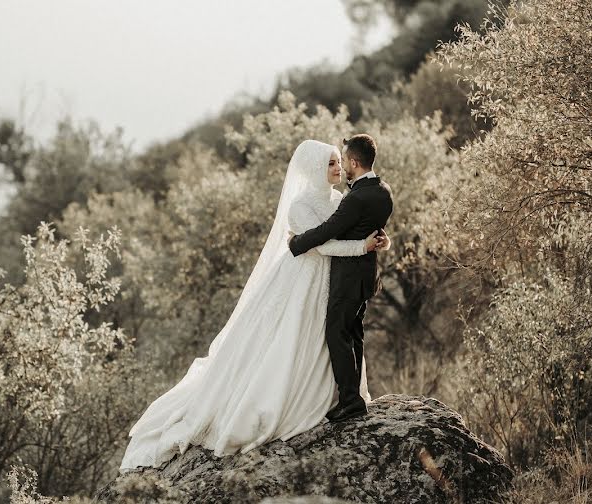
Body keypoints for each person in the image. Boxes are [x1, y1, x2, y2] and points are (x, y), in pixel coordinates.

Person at [119, 139, 390, 473]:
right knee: (293, 334)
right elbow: (322, 246)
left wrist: (371, 241)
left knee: (332, 333)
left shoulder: (341, 199)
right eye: (331, 164)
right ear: (313, 169)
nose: (337, 168)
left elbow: (352, 225)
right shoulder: (300, 206)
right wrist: (360, 247)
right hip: (304, 277)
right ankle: (295, 399)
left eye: (338, 162)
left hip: (333, 279)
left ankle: (342, 396)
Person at [288, 134, 394, 423]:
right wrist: (382, 242)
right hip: (366, 276)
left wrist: (296, 243)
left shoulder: (355, 199)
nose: (342, 165)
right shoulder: (384, 191)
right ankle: (355, 395)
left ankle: (350, 400)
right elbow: (372, 229)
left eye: (344, 160)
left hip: (347, 277)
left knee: (337, 332)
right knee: (354, 333)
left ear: (355, 162)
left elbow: (326, 231)